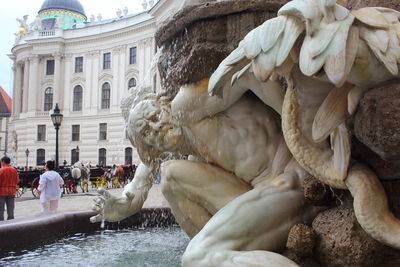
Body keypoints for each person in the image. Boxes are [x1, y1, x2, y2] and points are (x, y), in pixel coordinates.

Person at [91, 82, 319, 266]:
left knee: (196, 256)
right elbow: (138, 184)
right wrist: (121, 205)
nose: (156, 129)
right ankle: (218, 254)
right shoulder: (168, 148)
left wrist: (295, 122)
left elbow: (249, 74)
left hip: (294, 183)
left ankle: (210, 254)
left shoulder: (187, 105)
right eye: (147, 133)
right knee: (170, 176)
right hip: (261, 194)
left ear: (165, 105)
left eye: (155, 117)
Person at [0, 156, 20, 221]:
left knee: (1, 209)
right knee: (11, 209)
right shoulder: (14, 170)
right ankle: (11, 223)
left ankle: (1, 223)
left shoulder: (1, 170)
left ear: (3, 162)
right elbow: (17, 181)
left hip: (2, 192)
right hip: (11, 191)